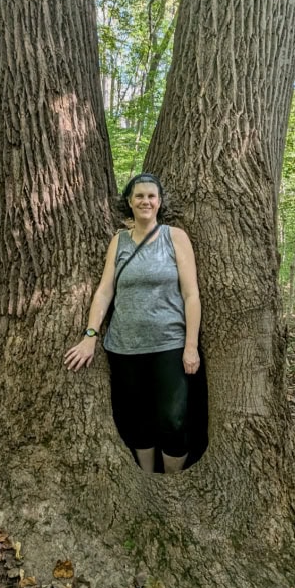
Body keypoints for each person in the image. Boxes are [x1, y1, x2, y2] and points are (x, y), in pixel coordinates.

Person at [64, 173, 201, 474]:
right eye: (139, 196)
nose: (145, 201)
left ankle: (173, 484)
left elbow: (191, 295)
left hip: (169, 344)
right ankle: (147, 479)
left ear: (160, 201)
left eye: (151, 196)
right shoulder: (119, 241)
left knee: (173, 419)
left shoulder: (174, 237)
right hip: (124, 346)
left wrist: (191, 346)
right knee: (137, 420)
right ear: (129, 201)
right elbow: (104, 291)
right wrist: (90, 335)